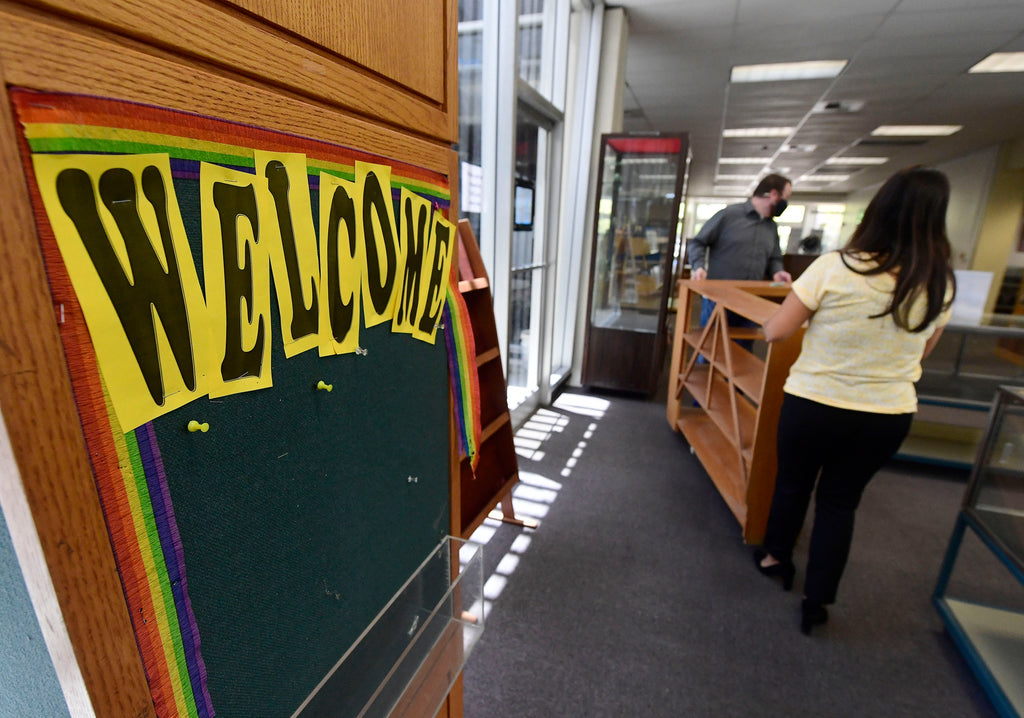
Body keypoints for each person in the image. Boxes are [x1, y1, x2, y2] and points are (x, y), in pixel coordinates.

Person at [753, 166, 956, 636]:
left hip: (815, 404)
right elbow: (924, 349)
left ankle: (774, 558)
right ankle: (816, 602)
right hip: (886, 415)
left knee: (792, 485)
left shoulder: (837, 266)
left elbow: (776, 331)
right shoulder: (939, 283)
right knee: (840, 504)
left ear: (878, 211)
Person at [688, 174, 794, 349]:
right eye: (786, 197)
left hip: (750, 301)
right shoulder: (729, 215)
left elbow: (774, 258)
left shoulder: (771, 227)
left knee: (742, 353)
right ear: (774, 194)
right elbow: (698, 242)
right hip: (719, 299)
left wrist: (778, 271)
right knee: (710, 348)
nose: (786, 202)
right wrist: (698, 266)